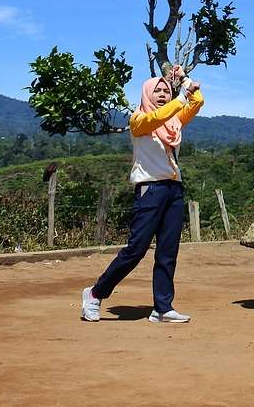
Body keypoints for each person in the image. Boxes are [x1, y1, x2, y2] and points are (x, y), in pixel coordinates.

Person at [80, 66, 203, 324]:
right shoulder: (138, 120)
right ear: (146, 93)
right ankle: (94, 293)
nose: (162, 94)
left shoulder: (174, 121)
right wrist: (180, 97)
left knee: (168, 251)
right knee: (136, 249)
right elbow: (157, 118)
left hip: (173, 189)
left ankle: (162, 307)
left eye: (165, 91)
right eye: (156, 90)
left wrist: (182, 79)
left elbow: (198, 100)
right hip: (150, 189)